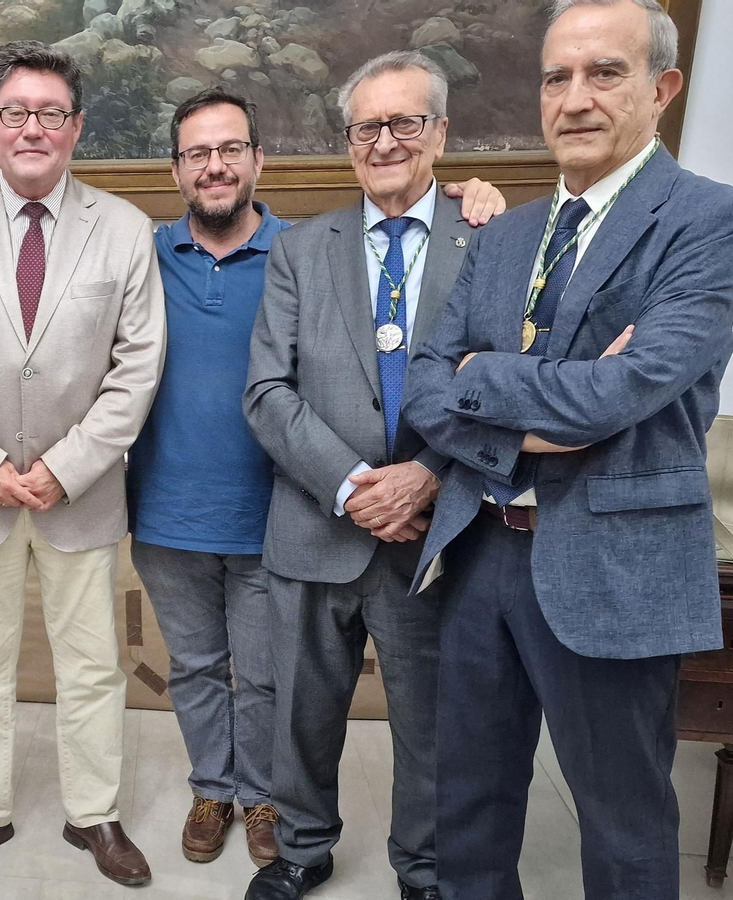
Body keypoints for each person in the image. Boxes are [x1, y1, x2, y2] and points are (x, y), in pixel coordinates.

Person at [0, 86, 504, 873]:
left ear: (257, 160)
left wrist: (466, 191)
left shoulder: (308, 251)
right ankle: (213, 788)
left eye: (230, 150)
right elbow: (46, 224)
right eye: (197, 154)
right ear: (177, 170)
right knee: (198, 670)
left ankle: (266, 799)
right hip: (168, 510)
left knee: (269, 679)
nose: (215, 166)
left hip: (279, 512)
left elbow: (398, 240)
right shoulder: (137, 250)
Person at [400, 1, 733, 896]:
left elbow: (622, 393)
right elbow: (423, 385)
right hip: (480, 543)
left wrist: (486, 374)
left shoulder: (710, 221)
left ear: (660, 88)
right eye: (557, 77)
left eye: (605, 73)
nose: (575, 98)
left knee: (624, 821)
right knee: (470, 806)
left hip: (617, 561)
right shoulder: (508, 233)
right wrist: (539, 402)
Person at [0, 40, 165, 888]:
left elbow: (138, 367)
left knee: (91, 665)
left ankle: (95, 813)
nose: (32, 129)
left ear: (77, 127)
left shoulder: (124, 229)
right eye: (15, 112)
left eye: (51, 114)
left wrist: (66, 467)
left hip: (79, 496)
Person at [242, 52, 494, 900]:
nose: (384, 141)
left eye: (404, 122)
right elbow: (267, 392)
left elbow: (504, 386)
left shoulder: (490, 240)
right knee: (302, 716)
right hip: (316, 524)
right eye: (367, 126)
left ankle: (422, 869)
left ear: (440, 134)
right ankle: (303, 851)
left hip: (437, 533)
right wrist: (355, 485)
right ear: (348, 139)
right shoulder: (300, 249)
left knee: (430, 723)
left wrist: (424, 475)